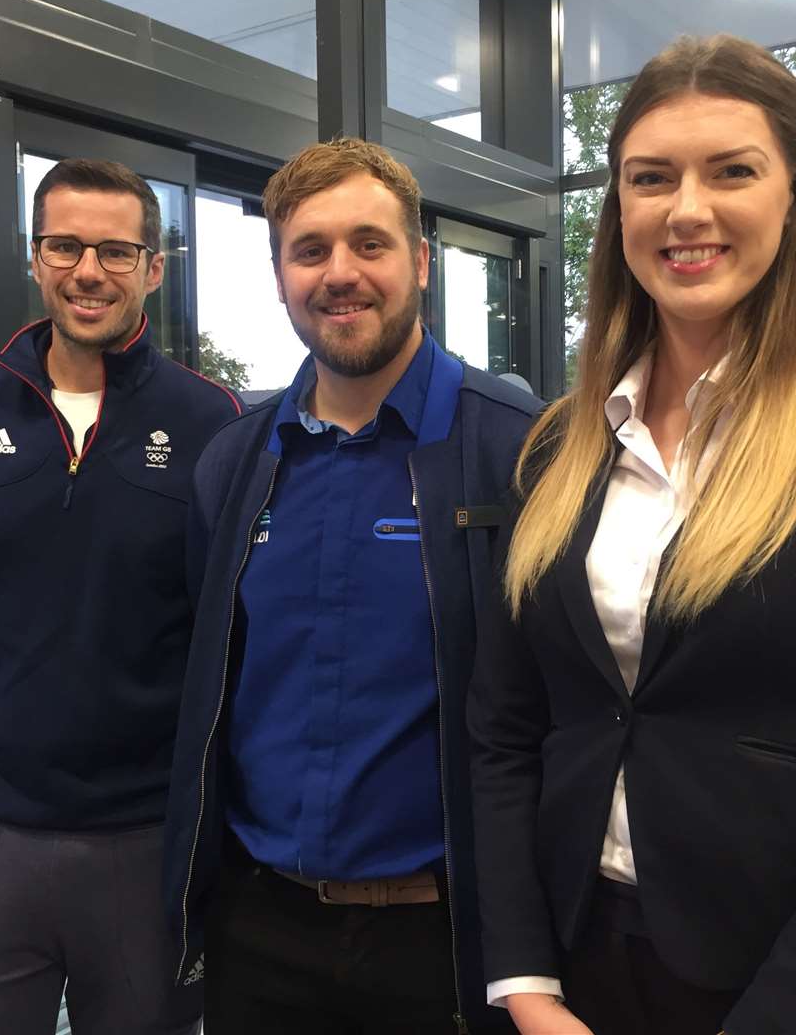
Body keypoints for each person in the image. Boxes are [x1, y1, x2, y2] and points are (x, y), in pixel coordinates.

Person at [467, 35, 796, 1035]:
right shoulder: (560, 445)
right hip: (582, 971)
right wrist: (526, 982)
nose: (688, 210)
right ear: (619, 207)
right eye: (651, 178)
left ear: (794, 199)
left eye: (733, 172)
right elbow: (506, 733)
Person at [163, 137, 538, 1034]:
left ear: (419, 261)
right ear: (280, 274)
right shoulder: (236, 463)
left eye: (369, 244)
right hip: (260, 933)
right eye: (310, 250)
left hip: (447, 945)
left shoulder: (520, 451)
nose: (341, 273)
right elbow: (210, 682)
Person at [0, 157, 241, 1035]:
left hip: (150, 833)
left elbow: (237, 639)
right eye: (65, 246)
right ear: (34, 258)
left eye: (117, 251)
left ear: (155, 268)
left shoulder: (215, 423)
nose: (88, 271)